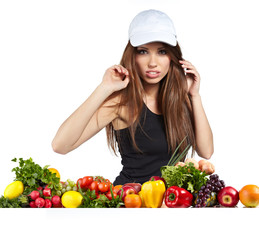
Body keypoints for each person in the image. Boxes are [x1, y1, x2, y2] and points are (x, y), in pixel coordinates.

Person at [51, 9, 214, 185]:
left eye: (161, 51)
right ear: (132, 55)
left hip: (170, 205)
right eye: (143, 51)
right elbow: (60, 145)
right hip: (131, 204)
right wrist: (104, 88)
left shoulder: (179, 99)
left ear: (172, 57)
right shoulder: (122, 103)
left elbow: (206, 152)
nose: (153, 62)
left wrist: (194, 95)